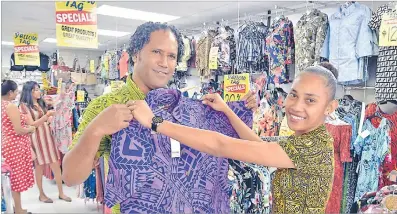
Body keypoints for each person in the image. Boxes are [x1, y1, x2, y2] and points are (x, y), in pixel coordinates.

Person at [62, 21, 258, 213]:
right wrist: (95, 130)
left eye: (171, 56)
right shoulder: (108, 106)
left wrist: (234, 112)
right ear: (136, 53)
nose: (164, 63)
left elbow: (238, 147)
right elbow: (70, 177)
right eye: (156, 52)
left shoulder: (185, 109)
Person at [129, 62, 339, 213]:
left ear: (330, 107)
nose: (296, 106)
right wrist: (227, 111)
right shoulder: (309, 140)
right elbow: (255, 144)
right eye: (293, 94)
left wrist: (155, 123)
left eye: (310, 100)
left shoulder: (311, 148)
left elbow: (221, 145)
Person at [19, 81, 71, 203]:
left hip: (48, 136)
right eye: (36, 89)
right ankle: (42, 194)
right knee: (39, 167)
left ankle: (61, 193)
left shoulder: (40, 102)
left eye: (38, 89)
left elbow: (57, 101)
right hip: (36, 139)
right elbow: (31, 124)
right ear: (30, 91)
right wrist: (46, 116)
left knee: (56, 165)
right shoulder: (23, 106)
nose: (39, 92)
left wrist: (49, 118)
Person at [1, 80, 35, 214]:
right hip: (15, 146)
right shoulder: (10, 106)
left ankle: (11, 207)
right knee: (15, 179)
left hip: (7, 144)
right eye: (15, 92)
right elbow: (18, 130)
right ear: (10, 93)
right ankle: (18, 209)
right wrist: (30, 128)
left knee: (8, 179)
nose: (16, 94)